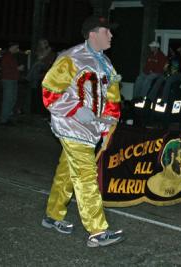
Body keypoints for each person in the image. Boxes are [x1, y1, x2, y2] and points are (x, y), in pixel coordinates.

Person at [40, 15, 124, 248]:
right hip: (71, 126)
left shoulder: (106, 63)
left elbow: (113, 97)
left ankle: (52, 214)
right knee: (86, 175)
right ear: (93, 34)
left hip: (92, 130)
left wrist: (109, 123)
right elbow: (49, 92)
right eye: (107, 31)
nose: (111, 35)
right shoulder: (70, 58)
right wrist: (76, 110)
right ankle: (97, 230)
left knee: (67, 171)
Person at [25, 38, 55, 114]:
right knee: (37, 66)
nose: (44, 44)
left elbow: (45, 60)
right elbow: (39, 57)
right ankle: (36, 110)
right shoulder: (39, 50)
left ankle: (28, 77)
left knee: (37, 65)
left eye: (45, 42)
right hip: (39, 73)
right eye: (42, 43)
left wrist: (43, 56)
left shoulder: (50, 51)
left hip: (45, 71)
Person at [0, 42, 24, 126]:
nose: (17, 49)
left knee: (12, 99)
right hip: (8, 80)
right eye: (16, 47)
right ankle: (4, 120)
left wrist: (17, 69)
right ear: (12, 47)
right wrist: (17, 68)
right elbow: (5, 69)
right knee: (8, 100)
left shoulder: (11, 56)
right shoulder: (7, 56)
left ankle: (7, 117)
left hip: (13, 79)